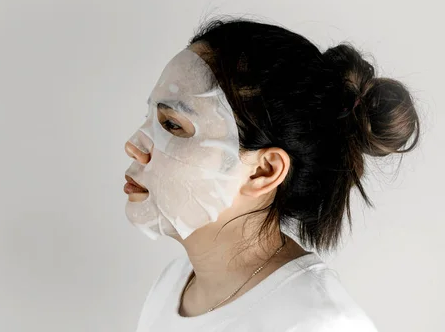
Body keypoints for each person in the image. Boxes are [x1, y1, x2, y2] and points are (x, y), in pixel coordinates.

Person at [122, 17, 420, 331]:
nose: (134, 145)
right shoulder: (172, 285)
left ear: (263, 171)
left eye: (172, 125)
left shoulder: (320, 324)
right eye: (150, 117)